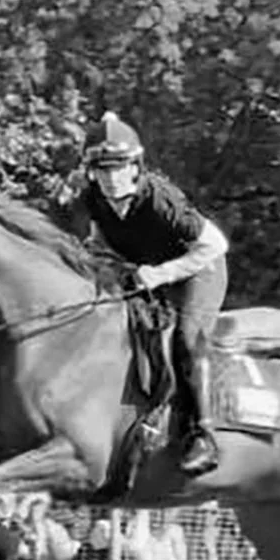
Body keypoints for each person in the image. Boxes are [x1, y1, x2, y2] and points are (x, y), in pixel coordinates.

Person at [71, 111, 229, 476]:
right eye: (102, 169)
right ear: (92, 171)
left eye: (119, 167)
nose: (111, 178)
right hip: (147, 274)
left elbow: (215, 244)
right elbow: (101, 240)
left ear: (135, 166)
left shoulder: (160, 199)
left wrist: (160, 274)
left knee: (187, 342)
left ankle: (203, 434)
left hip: (197, 270)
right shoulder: (94, 198)